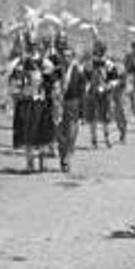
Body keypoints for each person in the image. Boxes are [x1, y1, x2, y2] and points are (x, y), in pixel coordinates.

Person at [10, 29, 57, 173]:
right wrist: (16, 94)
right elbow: (14, 81)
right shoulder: (20, 62)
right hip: (25, 101)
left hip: (40, 102)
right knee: (27, 134)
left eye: (34, 44)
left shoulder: (44, 62)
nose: (33, 47)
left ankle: (42, 163)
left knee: (42, 133)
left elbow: (51, 81)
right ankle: (30, 164)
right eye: (30, 44)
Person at [53, 37, 87, 173]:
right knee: (60, 135)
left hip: (73, 105)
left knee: (71, 135)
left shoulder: (78, 73)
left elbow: (82, 93)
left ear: (72, 57)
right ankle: (63, 158)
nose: (66, 58)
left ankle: (67, 158)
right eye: (64, 56)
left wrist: (82, 113)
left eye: (69, 56)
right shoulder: (57, 71)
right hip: (60, 105)